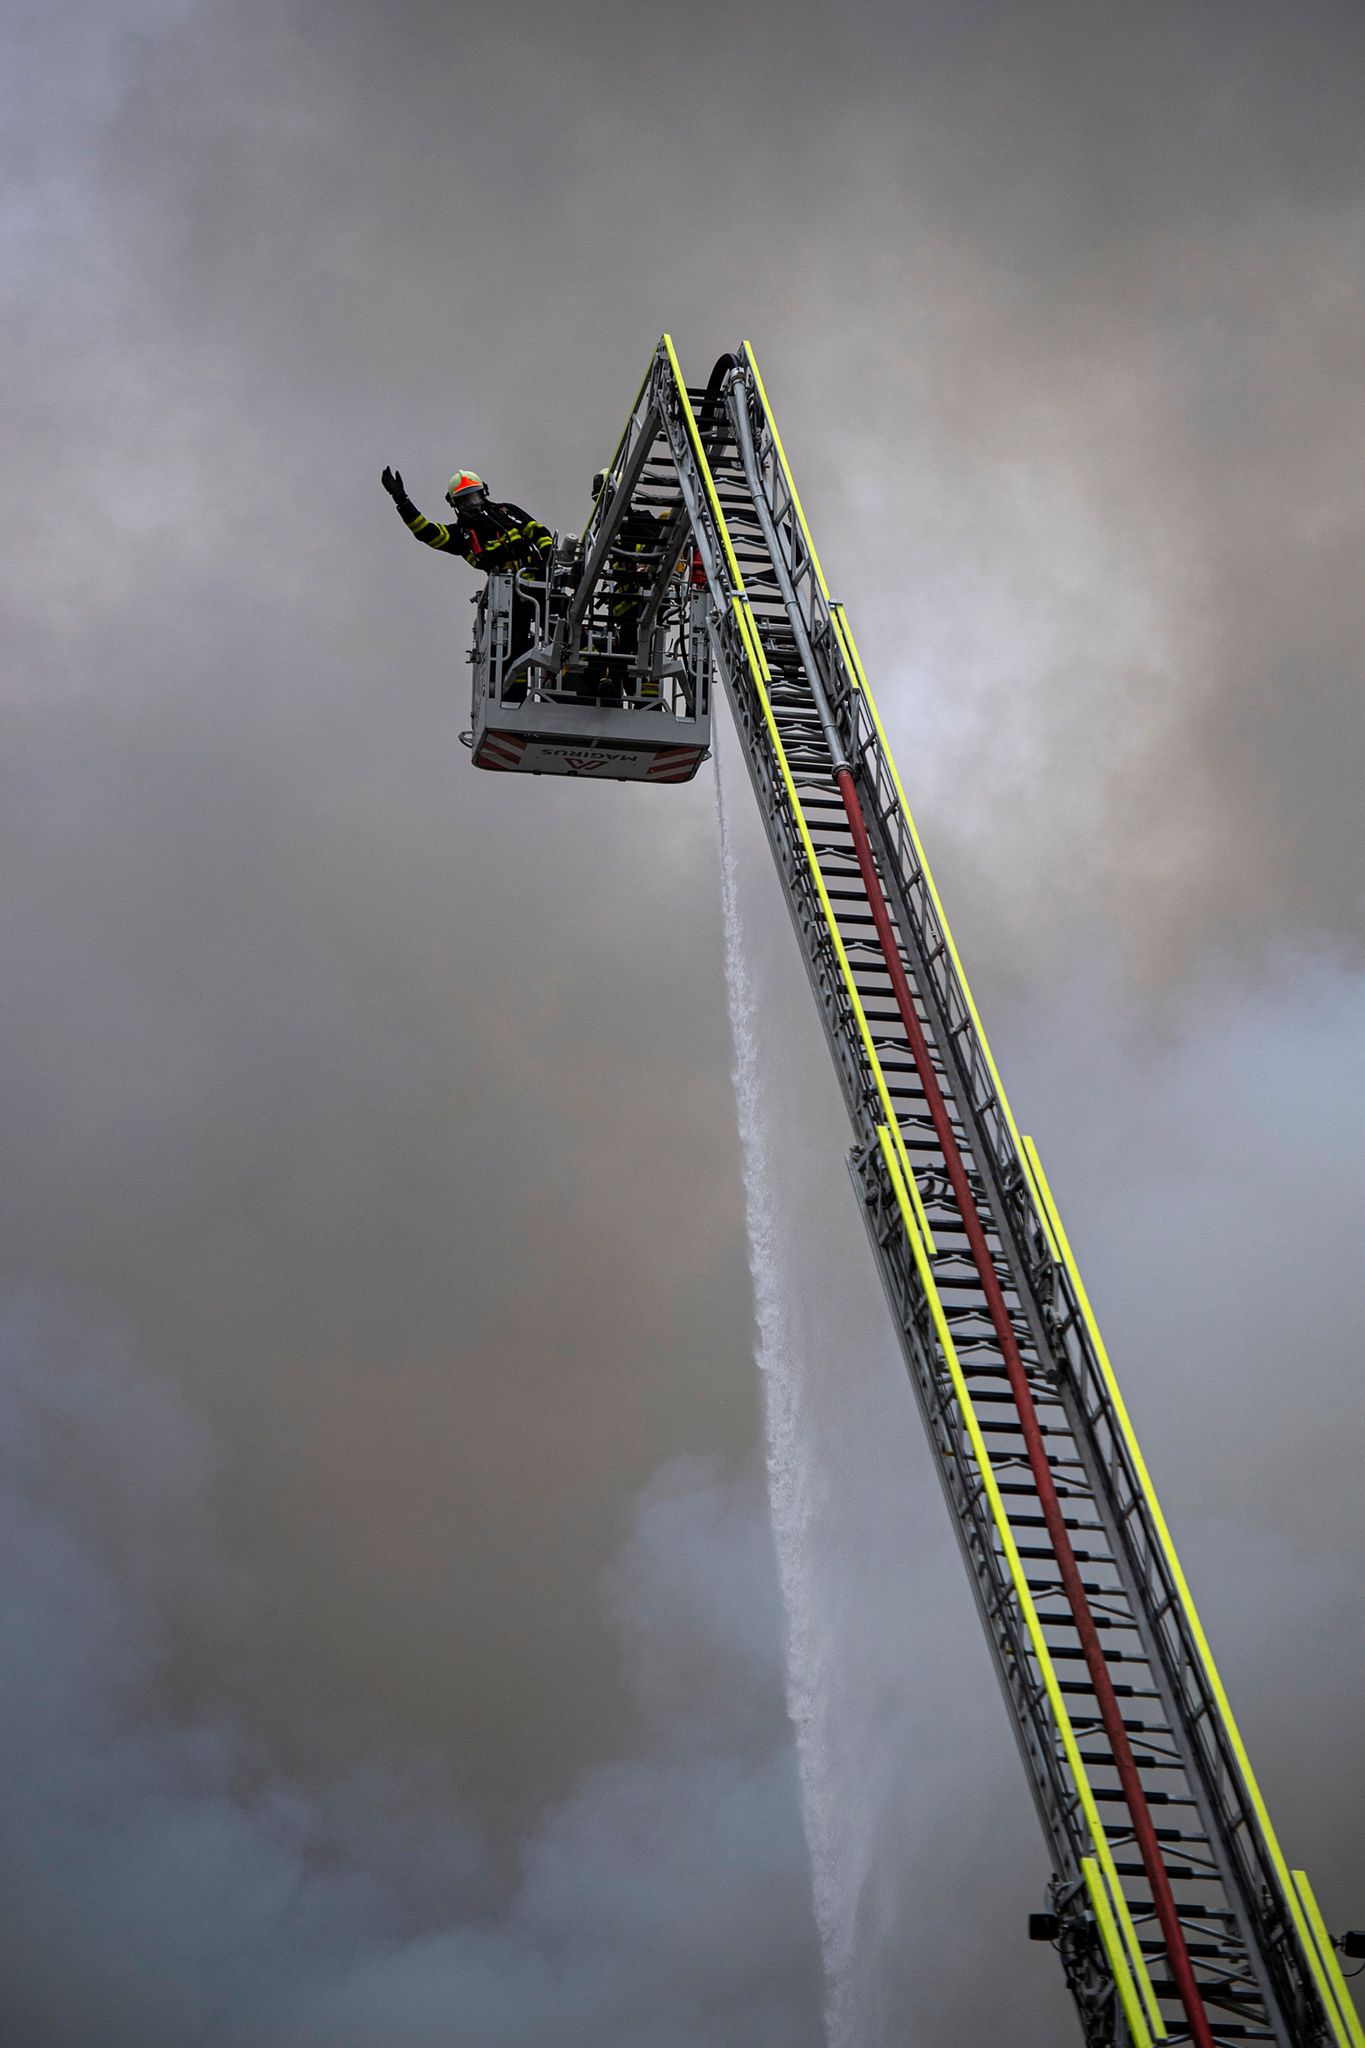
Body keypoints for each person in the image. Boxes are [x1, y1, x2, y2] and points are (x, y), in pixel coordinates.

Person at [381, 466, 553, 700]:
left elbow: (538, 531)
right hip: (507, 595)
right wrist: (402, 501)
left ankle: (583, 672)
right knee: (513, 647)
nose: (471, 505)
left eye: (473, 497)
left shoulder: (507, 511)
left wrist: (548, 557)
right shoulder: (461, 535)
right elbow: (426, 532)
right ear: (455, 505)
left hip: (538, 582)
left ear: (483, 493)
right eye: (464, 501)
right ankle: (514, 700)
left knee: (563, 626)